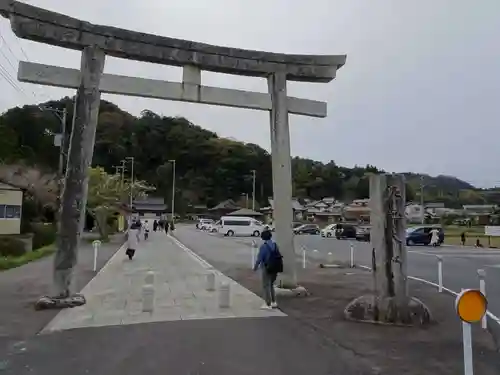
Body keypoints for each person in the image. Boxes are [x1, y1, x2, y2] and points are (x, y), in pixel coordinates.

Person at [253, 229, 283, 310]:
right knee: (271, 285)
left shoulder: (264, 246)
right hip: (275, 267)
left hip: (266, 268)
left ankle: (267, 304)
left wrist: (255, 267)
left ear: (263, 237)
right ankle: (273, 302)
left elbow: (260, 258)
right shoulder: (275, 245)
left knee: (266, 285)